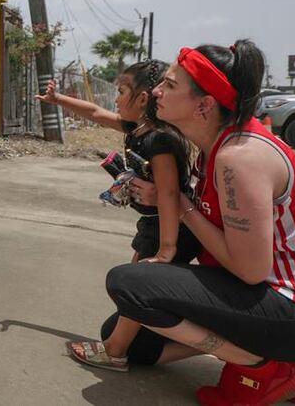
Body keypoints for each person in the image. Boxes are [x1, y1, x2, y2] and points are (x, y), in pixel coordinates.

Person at [105, 40, 295, 405]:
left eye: (169, 85)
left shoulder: (240, 158)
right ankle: (289, 365)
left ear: (204, 105)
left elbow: (250, 270)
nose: (156, 91)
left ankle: (263, 365)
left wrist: (181, 205)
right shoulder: (214, 147)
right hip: (268, 296)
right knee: (133, 338)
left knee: (130, 285)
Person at [39, 61, 200, 371]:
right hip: (155, 226)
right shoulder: (137, 129)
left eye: (122, 91)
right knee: (135, 290)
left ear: (142, 99)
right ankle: (124, 344)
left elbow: (169, 195)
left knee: (136, 292)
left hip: (170, 231)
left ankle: (115, 351)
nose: (115, 98)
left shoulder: (161, 140)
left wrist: (167, 249)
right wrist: (57, 99)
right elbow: (95, 113)